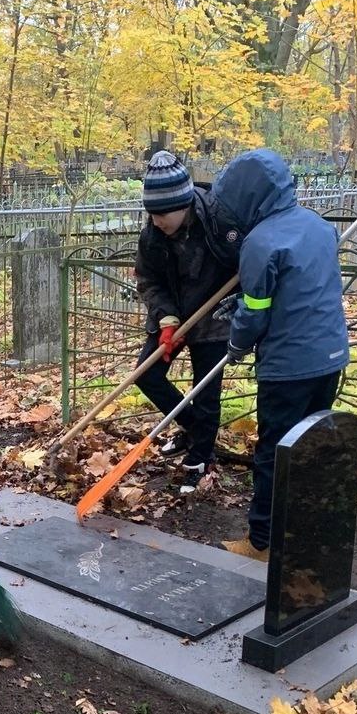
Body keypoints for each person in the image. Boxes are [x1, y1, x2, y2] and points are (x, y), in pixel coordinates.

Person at [211, 148, 350, 560]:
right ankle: (302, 533)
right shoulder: (319, 227)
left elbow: (256, 313)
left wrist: (235, 343)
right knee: (308, 448)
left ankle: (262, 542)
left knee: (274, 452)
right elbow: (298, 287)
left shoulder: (260, 241)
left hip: (288, 366)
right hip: (330, 356)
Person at [132, 150, 242, 492]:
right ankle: (194, 429)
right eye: (152, 214)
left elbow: (252, 262)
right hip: (175, 316)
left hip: (215, 314)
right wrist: (166, 318)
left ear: (185, 205)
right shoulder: (152, 235)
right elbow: (148, 280)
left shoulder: (219, 221)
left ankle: (201, 457)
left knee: (205, 390)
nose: (157, 221)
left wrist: (242, 297)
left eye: (163, 214)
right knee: (146, 375)